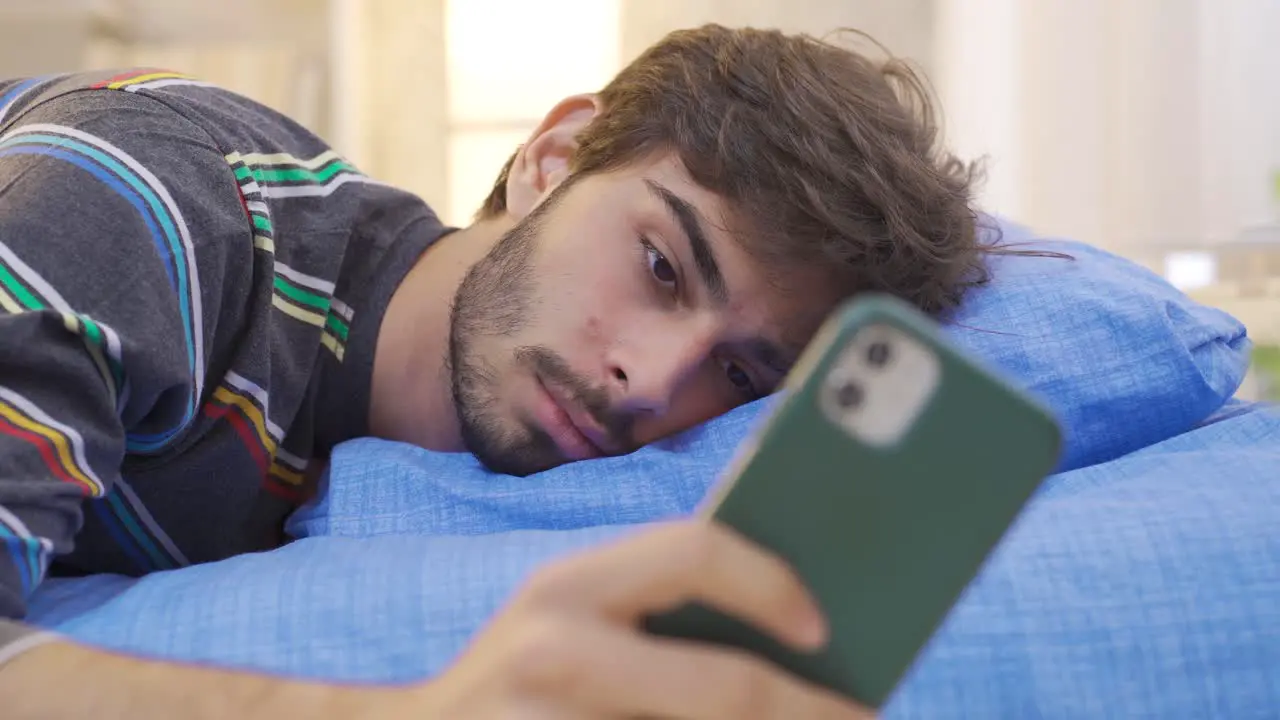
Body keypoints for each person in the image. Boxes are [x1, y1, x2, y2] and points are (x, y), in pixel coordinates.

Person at [0, 23, 985, 718]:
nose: (647, 384)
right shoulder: (153, 215)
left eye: (734, 374)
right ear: (551, 159)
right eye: (660, 267)